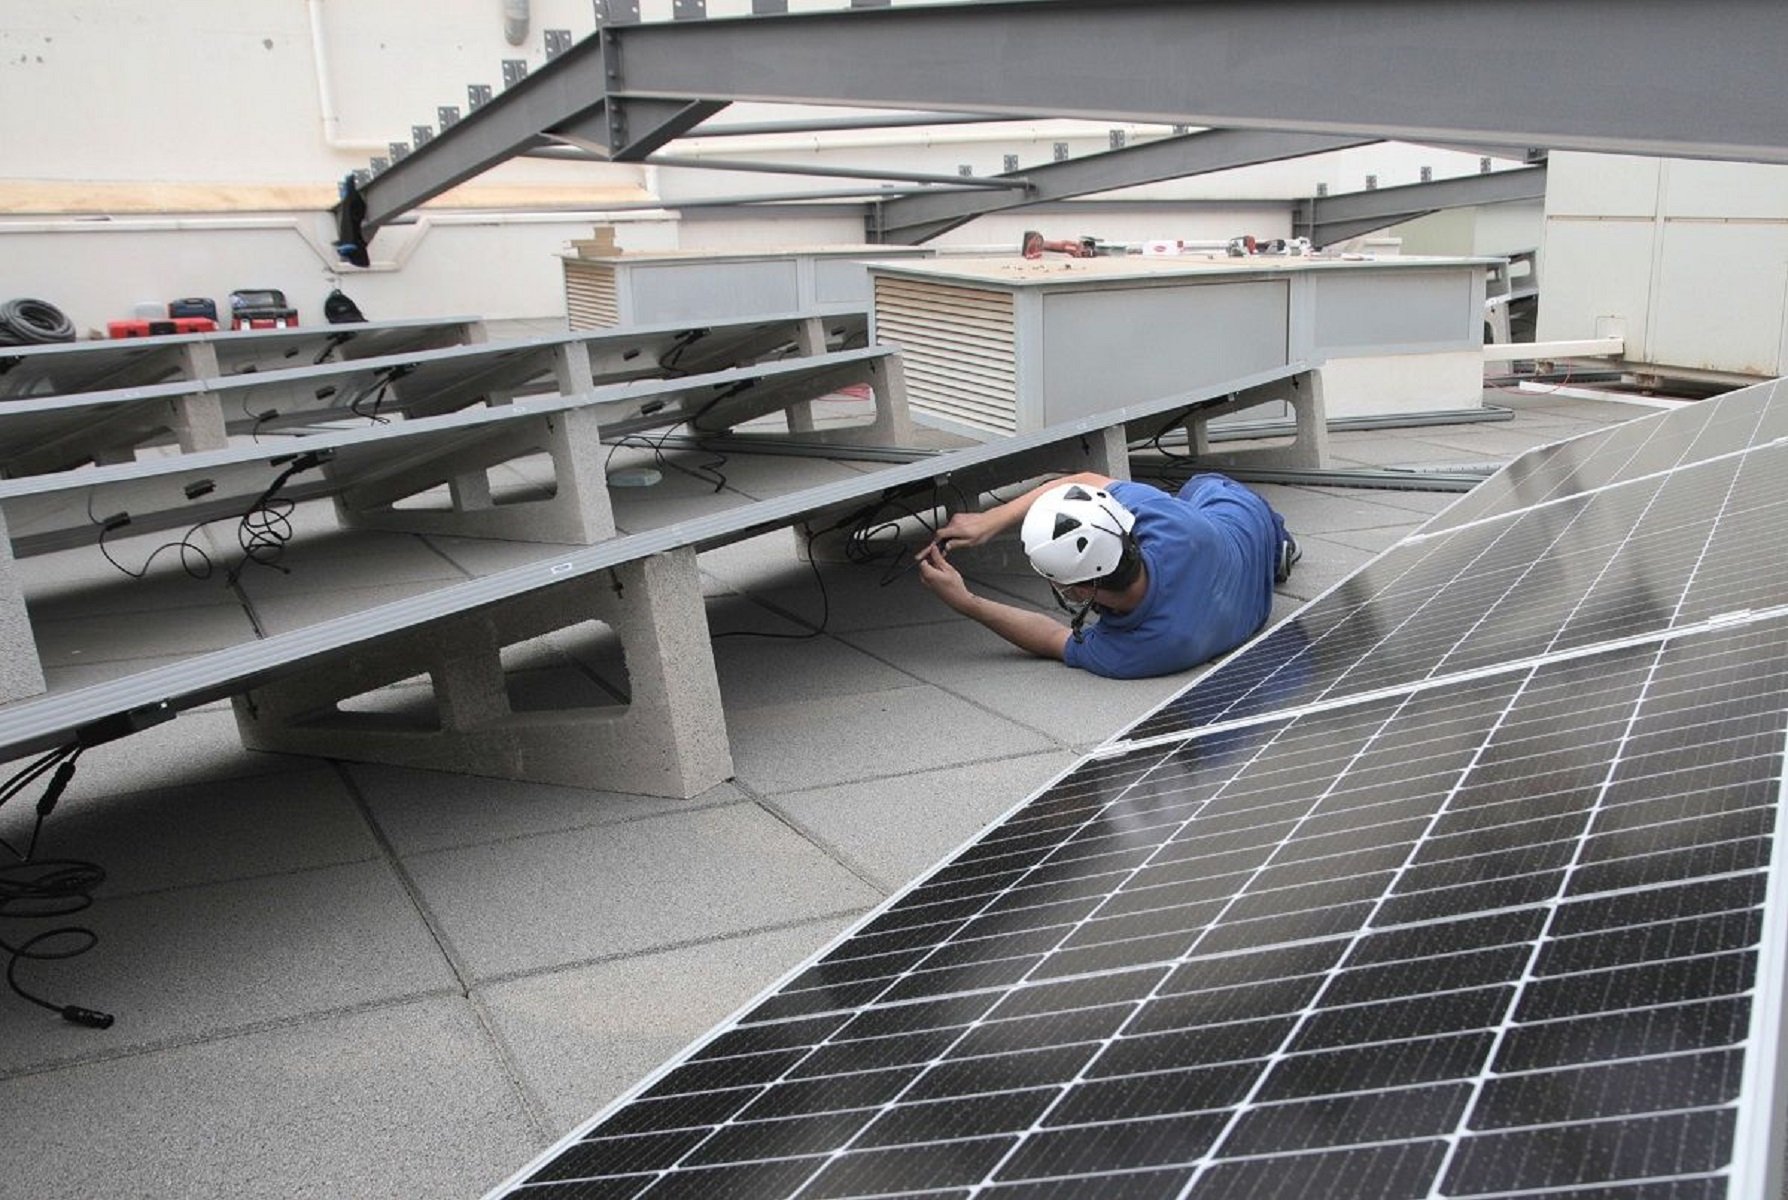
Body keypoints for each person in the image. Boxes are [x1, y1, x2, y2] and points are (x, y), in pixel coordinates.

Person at [915, 471, 1297, 679]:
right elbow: (1080, 481)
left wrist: (967, 603)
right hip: (1241, 518)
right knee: (1197, 489)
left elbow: (1051, 638)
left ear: (1079, 592)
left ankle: (1277, 548)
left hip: (1230, 525)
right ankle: (1278, 545)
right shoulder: (1170, 524)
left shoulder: (1139, 652)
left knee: (1199, 484)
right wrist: (989, 521)